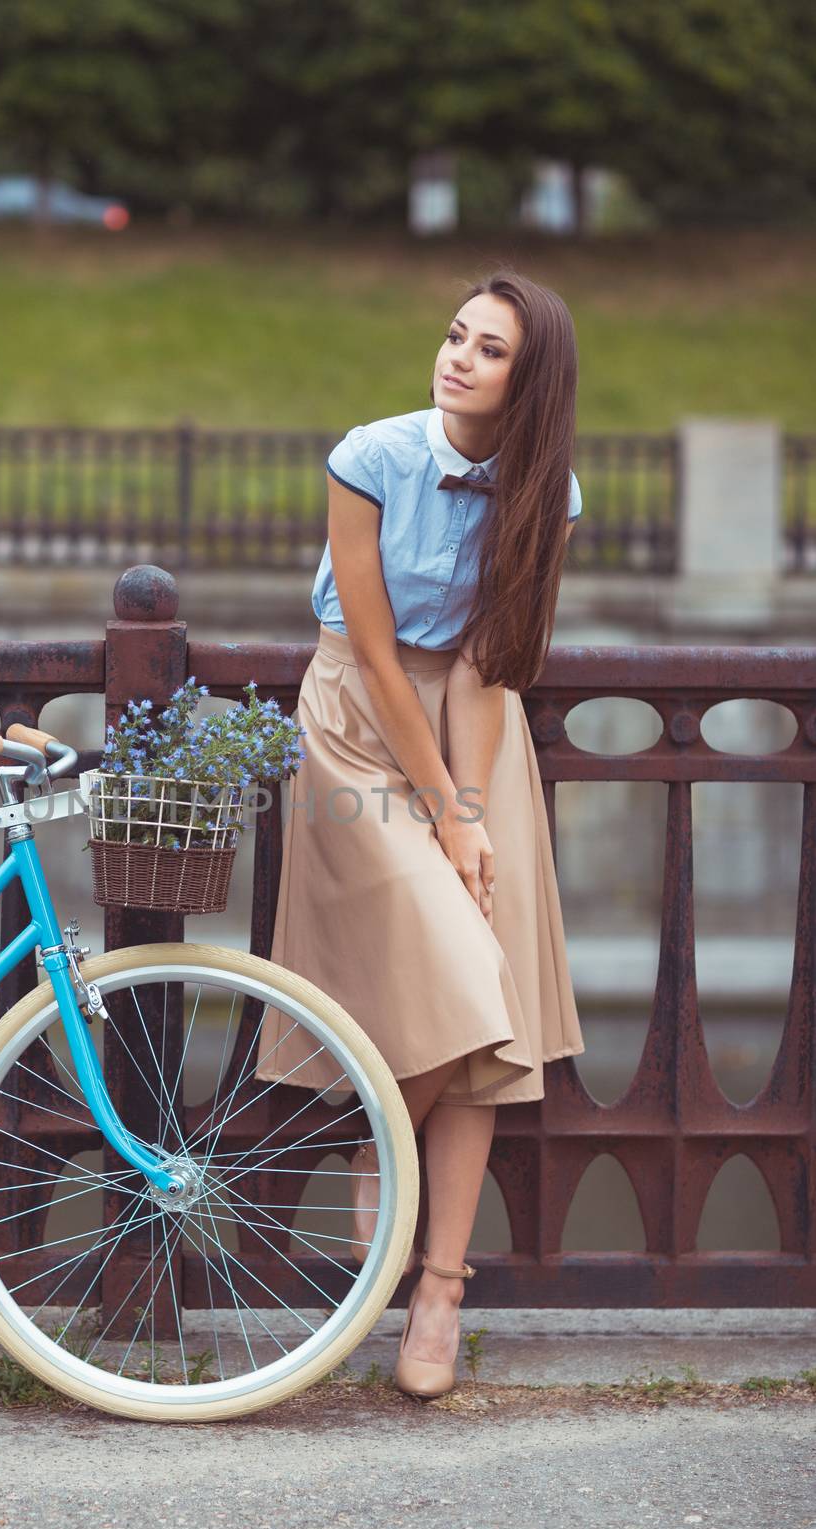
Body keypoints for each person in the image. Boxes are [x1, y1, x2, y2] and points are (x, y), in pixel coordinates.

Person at [253, 266, 586, 1398]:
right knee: (449, 967)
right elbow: (375, 645)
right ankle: (377, 1154)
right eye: (454, 336)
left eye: (487, 349)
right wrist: (442, 814)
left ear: (526, 378)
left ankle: (437, 1286)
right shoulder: (371, 456)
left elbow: (489, 665)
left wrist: (476, 812)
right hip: (356, 715)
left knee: (486, 988)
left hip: (472, 723)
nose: (455, 357)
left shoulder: (551, 492)